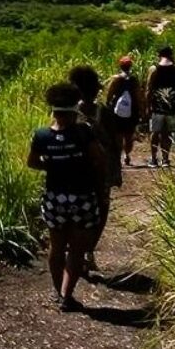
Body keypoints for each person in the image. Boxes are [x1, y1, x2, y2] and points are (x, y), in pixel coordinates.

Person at [27, 82, 108, 311]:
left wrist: (55, 163)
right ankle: (66, 295)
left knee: (56, 245)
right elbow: (99, 161)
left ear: (53, 112)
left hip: (55, 198)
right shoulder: (84, 132)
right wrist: (100, 190)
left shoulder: (41, 136)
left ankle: (56, 291)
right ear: (75, 111)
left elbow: (32, 162)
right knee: (76, 249)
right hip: (82, 197)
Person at [69, 64, 112, 275]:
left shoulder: (68, 112)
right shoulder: (102, 111)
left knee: (75, 210)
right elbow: (115, 142)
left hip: (73, 169)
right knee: (101, 208)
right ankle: (88, 251)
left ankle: (76, 250)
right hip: (99, 169)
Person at [145, 46, 175, 167]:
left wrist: (147, 106)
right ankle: (165, 159)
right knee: (167, 134)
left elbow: (148, 89)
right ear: (171, 55)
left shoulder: (154, 69)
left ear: (159, 55)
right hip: (174, 107)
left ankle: (153, 159)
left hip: (157, 107)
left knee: (155, 132)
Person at [104, 55, 143, 167]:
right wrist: (141, 109)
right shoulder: (134, 80)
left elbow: (109, 94)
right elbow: (138, 96)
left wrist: (108, 105)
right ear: (130, 66)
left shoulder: (116, 79)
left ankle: (118, 156)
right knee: (129, 135)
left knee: (118, 134)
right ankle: (127, 155)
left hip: (117, 110)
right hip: (132, 110)